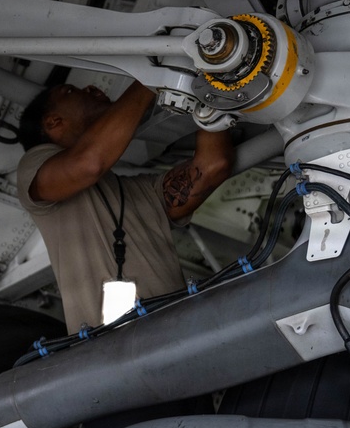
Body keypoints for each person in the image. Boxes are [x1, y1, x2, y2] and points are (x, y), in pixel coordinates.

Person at [17, 80, 234, 332]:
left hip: (181, 338)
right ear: (53, 123)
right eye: (70, 91)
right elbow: (89, 163)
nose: (92, 88)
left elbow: (212, 166)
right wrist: (154, 78)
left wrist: (210, 91)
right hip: (114, 354)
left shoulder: (141, 193)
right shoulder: (32, 167)